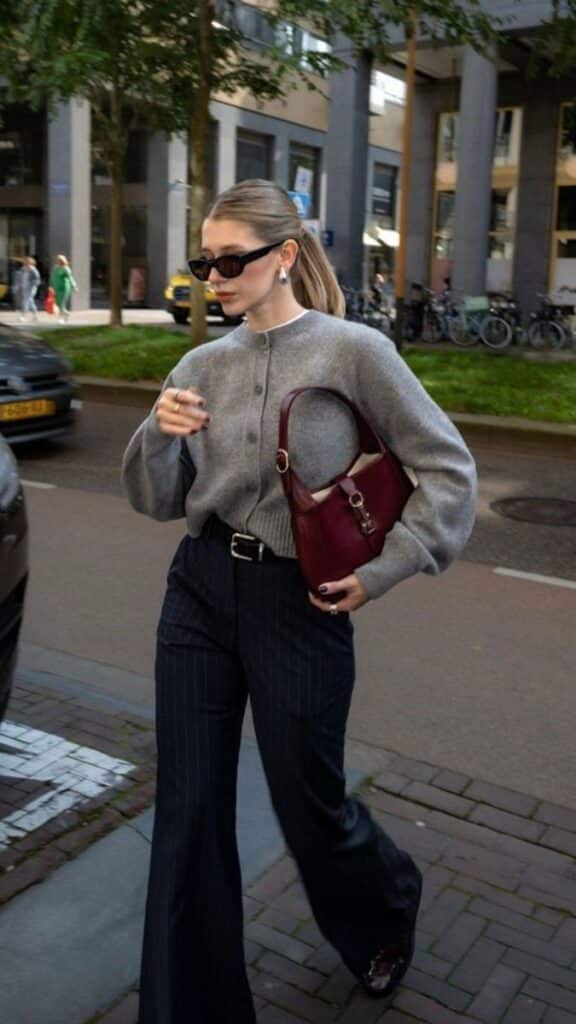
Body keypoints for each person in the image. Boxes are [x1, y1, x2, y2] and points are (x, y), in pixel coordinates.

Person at [121, 178, 477, 1024]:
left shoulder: (354, 352)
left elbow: (448, 471)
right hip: (200, 591)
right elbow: (156, 499)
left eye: (231, 260)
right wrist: (156, 434)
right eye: (205, 262)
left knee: (308, 803)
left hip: (300, 604)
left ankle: (383, 904)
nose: (214, 277)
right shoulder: (199, 364)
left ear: (284, 256)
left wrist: (388, 567)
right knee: (188, 810)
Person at [50, 254, 77, 322]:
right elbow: (52, 277)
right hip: (56, 288)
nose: (57, 261)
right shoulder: (55, 268)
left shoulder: (66, 268)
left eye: (59, 260)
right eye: (57, 260)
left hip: (64, 288)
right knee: (58, 304)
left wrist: (74, 286)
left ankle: (61, 318)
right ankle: (66, 313)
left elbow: (70, 278)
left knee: (62, 304)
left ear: (62, 261)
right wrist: (51, 286)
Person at [18, 257, 41, 322]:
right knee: (30, 302)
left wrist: (31, 284)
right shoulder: (23, 269)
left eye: (27, 262)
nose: (25, 263)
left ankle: (23, 316)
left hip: (31, 288)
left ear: (31, 263)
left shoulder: (33, 270)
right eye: (25, 261)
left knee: (25, 301)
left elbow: (37, 280)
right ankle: (35, 315)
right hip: (24, 287)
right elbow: (21, 278)